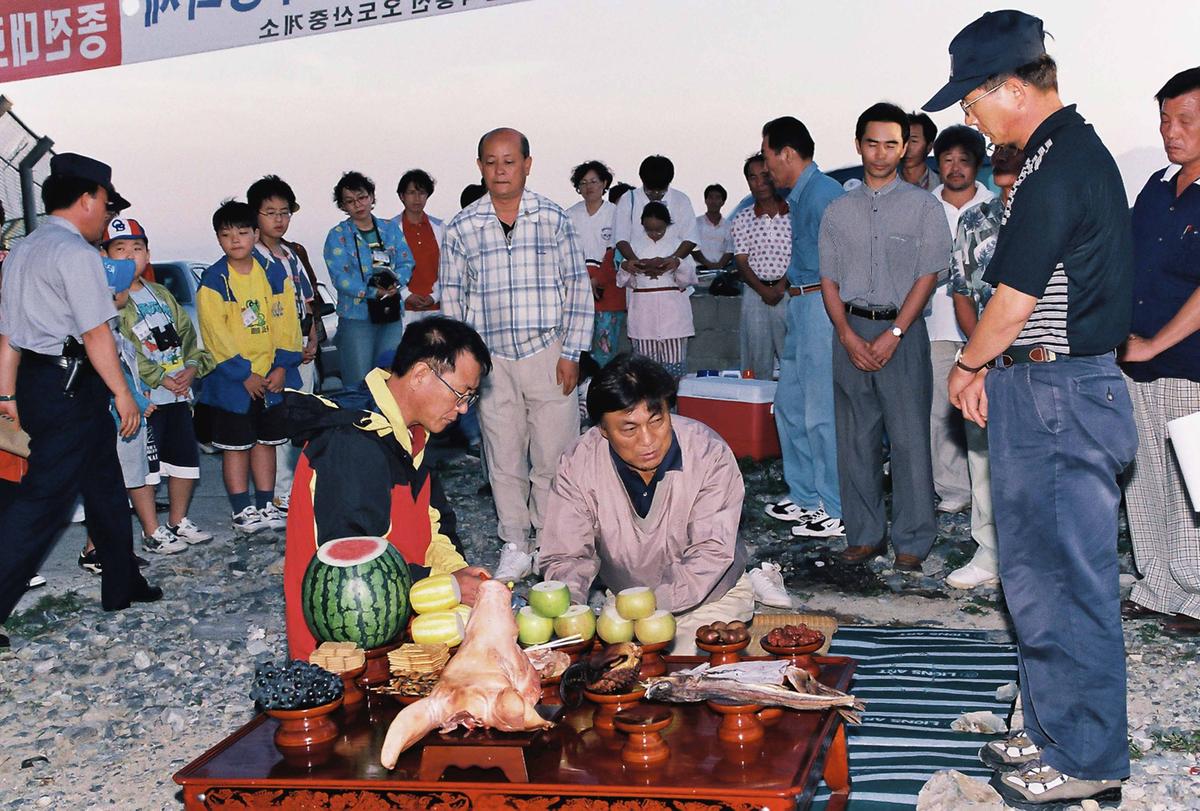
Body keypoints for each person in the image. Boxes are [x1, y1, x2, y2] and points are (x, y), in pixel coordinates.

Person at [930, 11, 1137, 807]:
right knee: (1035, 577)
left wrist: (968, 362)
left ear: (1010, 87)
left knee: (1067, 581)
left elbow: (1013, 300)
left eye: (970, 99)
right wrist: (998, 363)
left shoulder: (1061, 165)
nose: (965, 116)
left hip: (1062, 395)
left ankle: (1086, 754)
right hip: (1040, 386)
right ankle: (1052, 723)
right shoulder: (1055, 154)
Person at [0, 153, 162, 648]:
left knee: (105, 483)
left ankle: (121, 582)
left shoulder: (24, 247)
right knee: (43, 502)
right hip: (73, 382)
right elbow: (96, 334)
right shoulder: (75, 254)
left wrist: (6, 392)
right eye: (105, 203)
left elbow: (7, 334)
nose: (105, 214)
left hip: (40, 380)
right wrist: (124, 395)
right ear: (88, 198)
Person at [282, 316, 493, 660]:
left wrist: (456, 572)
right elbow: (352, 571)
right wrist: (448, 587)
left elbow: (436, 526)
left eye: (471, 397)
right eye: (460, 394)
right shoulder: (352, 440)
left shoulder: (414, 435)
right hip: (342, 656)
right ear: (422, 374)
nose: (463, 409)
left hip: (401, 625)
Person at [440, 127, 594, 582]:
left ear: (527, 164)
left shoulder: (552, 218)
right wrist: (461, 365)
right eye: (491, 161)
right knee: (503, 455)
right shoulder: (462, 226)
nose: (500, 170)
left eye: (509, 161)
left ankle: (550, 542)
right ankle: (515, 541)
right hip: (489, 362)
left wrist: (572, 352)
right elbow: (453, 299)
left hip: (547, 352)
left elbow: (577, 288)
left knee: (553, 454)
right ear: (480, 167)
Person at [540, 354, 752, 655]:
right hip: (625, 604)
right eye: (629, 429)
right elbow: (566, 554)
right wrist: (570, 610)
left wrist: (646, 607)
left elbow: (710, 552)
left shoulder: (708, 454)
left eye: (657, 421)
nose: (648, 441)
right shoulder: (578, 463)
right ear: (602, 428)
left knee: (682, 676)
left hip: (709, 599)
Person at [819, 103, 949, 570]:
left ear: (906, 147)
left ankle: (913, 541)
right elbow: (828, 282)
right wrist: (847, 335)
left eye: (892, 144)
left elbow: (928, 276)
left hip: (904, 334)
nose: (881, 153)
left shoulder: (923, 207)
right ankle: (864, 534)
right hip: (849, 331)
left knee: (911, 438)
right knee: (855, 439)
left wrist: (895, 331)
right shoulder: (837, 210)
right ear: (858, 145)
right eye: (872, 143)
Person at [1119, 66, 1200, 638]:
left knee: (1194, 483)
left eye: (1187, 121)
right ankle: (1157, 588)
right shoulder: (1153, 188)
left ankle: (1197, 597)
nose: (1172, 131)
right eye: (1166, 119)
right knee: (1143, 477)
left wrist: (1155, 344)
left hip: (1188, 365)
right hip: (1132, 362)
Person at [759, 116, 846, 539]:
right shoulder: (800, 196)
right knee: (791, 405)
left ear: (787, 154)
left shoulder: (825, 194)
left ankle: (834, 505)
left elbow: (844, 262)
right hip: (799, 301)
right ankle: (806, 496)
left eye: (767, 155)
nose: (765, 166)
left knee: (820, 412)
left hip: (820, 306)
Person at [196, 200, 303, 536]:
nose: (236, 240)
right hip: (234, 381)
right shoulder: (215, 281)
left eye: (243, 232)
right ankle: (242, 510)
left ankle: (266, 503)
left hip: (271, 376)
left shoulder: (272, 274)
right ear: (218, 239)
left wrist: (283, 365)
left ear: (256, 234)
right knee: (236, 447)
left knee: (267, 442)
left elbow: (288, 322)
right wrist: (243, 373)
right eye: (226, 234)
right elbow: (215, 335)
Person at [944, 145, 1024, 590]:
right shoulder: (975, 221)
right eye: (1001, 163)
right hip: (981, 359)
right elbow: (961, 291)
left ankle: (1035, 559)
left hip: (1039, 357)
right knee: (982, 456)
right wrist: (980, 356)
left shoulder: (1049, 214)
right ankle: (989, 551)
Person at [108, 217, 214, 548]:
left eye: (136, 248)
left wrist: (192, 368)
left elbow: (188, 336)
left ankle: (177, 519)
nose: (129, 255)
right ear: (106, 256)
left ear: (148, 254)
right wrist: (160, 378)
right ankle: (151, 528)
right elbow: (118, 350)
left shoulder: (161, 294)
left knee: (184, 460)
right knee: (144, 468)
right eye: (119, 249)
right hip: (145, 398)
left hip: (178, 396)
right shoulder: (109, 300)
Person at [927, 126, 993, 514]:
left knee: (981, 414)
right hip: (936, 326)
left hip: (985, 328)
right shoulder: (925, 207)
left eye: (963, 161)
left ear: (976, 164)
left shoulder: (992, 207)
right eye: (947, 160)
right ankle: (952, 490)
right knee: (940, 410)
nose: (955, 168)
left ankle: (987, 492)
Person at [247, 175, 318, 516]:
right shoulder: (253, 259)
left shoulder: (292, 253)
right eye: (270, 212)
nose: (278, 219)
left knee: (301, 420)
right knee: (273, 424)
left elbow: (307, 301)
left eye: (285, 212)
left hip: (302, 350)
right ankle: (277, 492)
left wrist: (313, 336)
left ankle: (298, 488)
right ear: (255, 216)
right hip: (274, 357)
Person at [323, 171, 415, 385]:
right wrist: (373, 292)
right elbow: (340, 277)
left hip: (389, 313)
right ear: (343, 206)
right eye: (350, 201)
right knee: (358, 379)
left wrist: (395, 284)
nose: (358, 205)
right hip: (357, 316)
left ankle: (387, 419)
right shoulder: (337, 235)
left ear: (372, 197)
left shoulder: (389, 228)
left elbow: (406, 261)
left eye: (362, 197)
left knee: (390, 375)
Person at [618, 202, 697, 378]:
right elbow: (625, 282)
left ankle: (673, 404)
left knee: (674, 370)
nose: (654, 234)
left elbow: (689, 279)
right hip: (643, 320)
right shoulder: (634, 246)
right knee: (645, 372)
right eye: (649, 230)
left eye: (659, 230)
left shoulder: (677, 246)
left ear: (667, 225)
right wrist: (627, 267)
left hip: (674, 321)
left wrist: (677, 264)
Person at [730, 154, 790, 382]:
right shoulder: (743, 218)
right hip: (756, 294)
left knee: (791, 358)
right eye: (753, 178)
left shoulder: (793, 212)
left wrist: (781, 286)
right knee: (756, 359)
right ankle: (757, 411)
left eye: (765, 176)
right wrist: (763, 290)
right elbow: (741, 261)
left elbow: (800, 253)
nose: (760, 183)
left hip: (788, 292)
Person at [566, 160, 624, 368]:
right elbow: (566, 254)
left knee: (605, 350)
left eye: (594, 181)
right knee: (576, 351)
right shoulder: (570, 215)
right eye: (583, 182)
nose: (589, 186)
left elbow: (615, 252)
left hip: (608, 289)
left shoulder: (616, 213)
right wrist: (583, 282)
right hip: (577, 290)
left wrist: (597, 280)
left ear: (604, 183)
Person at [613, 155, 699, 271]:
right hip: (639, 277)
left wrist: (673, 260)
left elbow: (690, 237)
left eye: (661, 191)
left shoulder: (681, 200)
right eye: (650, 191)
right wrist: (638, 263)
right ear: (642, 180)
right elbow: (621, 237)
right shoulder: (628, 199)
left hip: (675, 275)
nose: (655, 194)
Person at [395, 169, 445, 323]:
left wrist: (434, 296)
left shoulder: (441, 228)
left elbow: (448, 266)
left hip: (436, 307)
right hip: (403, 309)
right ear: (402, 196)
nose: (417, 198)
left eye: (422, 193)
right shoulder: (391, 229)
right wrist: (406, 294)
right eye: (411, 192)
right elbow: (387, 268)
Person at [693, 184, 734, 271]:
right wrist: (708, 264)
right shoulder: (695, 223)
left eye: (717, 198)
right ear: (705, 200)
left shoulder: (729, 226)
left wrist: (719, 266)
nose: (713, 201)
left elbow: (730, 249)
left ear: (723, 202)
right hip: (699, 270)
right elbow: (692, 247)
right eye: (710, 197)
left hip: (723, 271)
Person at [902, 112, 940, 191]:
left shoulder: (943, 184)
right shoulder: (882, 181)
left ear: (929, 147)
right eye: (903, 140)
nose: (906, 147)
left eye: (914, 141)